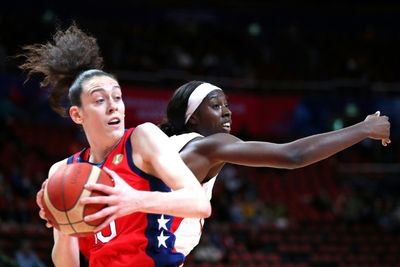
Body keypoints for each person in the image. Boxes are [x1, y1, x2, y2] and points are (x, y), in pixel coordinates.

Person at [84, 81, 391, 259]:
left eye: (227, 104)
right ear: (192, 119)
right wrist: (364, 129)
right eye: (216, 105)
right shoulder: (209, 145)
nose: (227, 111)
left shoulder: (161, 148)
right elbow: (293, 155)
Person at [19, 24, 211, 267]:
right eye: (100, 100)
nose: (114, 106)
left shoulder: (142, 139)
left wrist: (134, 200)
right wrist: (63, 223)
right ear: (78, 115)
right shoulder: (63, 172)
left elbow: (199, 204)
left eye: (117, 97)